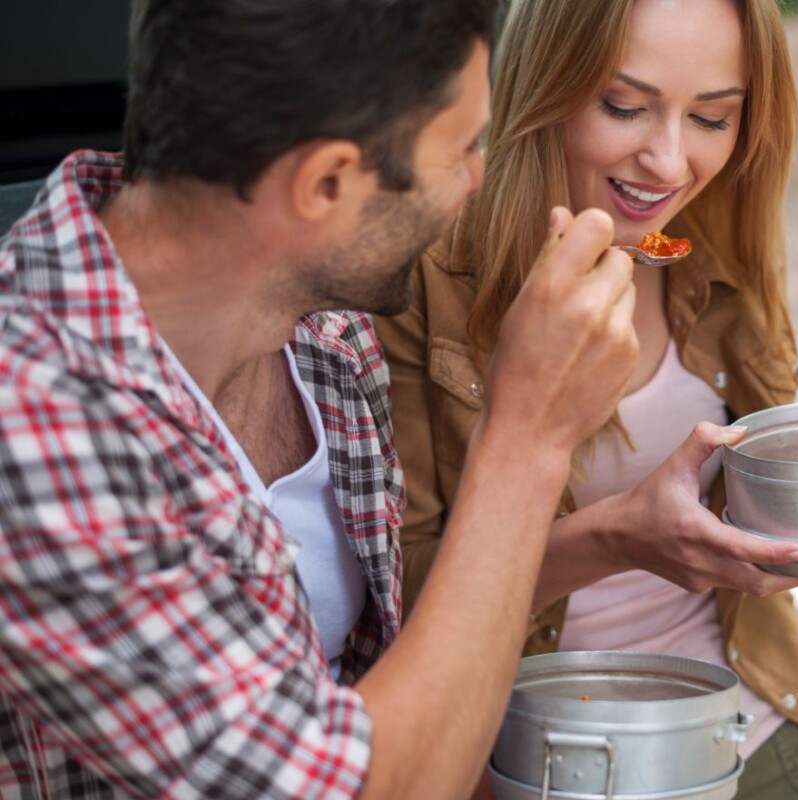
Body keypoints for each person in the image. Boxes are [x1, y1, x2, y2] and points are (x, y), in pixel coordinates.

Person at [0, 1, 641, 798]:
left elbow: (397, 663)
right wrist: (528, 437)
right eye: (463, 146)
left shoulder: (326, 329)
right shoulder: (34, 432)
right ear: (327, 182)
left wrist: (615, 535)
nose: (479, 179)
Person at [375, 0, 798, 797]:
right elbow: (398, 608)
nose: (668, 163)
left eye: (713, 118)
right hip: (550, 760)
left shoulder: (712, 238)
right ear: (541, 85)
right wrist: (618, 538)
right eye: (623, 107)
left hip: (759, 709)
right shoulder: (415, 281)